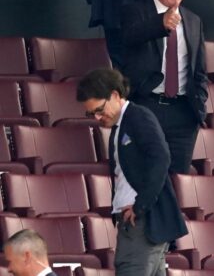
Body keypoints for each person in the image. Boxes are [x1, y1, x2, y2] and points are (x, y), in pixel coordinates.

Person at [76, 68, 188, 276]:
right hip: (142, 223)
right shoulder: (122, 126)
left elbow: (161, 158)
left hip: (142, 222)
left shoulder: (138, 117)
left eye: (100, 109)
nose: (97, 117)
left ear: (115, 96)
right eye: (92, 113)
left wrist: (140, 206)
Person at [121, 0, 208, 174]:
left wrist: (199, 105)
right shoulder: (135, 12)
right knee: (147, 179)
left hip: (183, 115)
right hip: (147, 108)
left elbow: (199, 70)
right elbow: (130, 36)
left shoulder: (193, 20)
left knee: (178, 183)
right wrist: (160, 24)